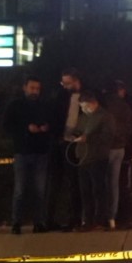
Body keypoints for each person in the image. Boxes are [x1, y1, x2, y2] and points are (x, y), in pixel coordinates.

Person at [3, 75, 53, 234]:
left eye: (37, 89)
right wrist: (26, 129)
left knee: (40, 190)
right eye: (32, 88)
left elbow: (52, 122)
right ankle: (16, 222)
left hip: (41, 152)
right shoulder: (15, 105)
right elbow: (7, 126)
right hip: (22, 152)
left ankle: (39, 222)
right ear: (25, 87)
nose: (35, 92)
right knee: (20, 190)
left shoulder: (44, 105)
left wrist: (46, 128)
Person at [70, 90, 116, 230]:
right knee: (85, 191)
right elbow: (78, 130)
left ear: (92, 103)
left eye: (84, 105)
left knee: (98, 189)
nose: (83, 109)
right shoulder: (84, 117)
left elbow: (108, 136)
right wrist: (75, 135)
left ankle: (101, 219)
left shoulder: (105, 116)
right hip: (83, 157)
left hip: (98, 157)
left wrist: (88, 138)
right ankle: (87, 221)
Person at [48, 67, 85, 231]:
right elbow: (55, 117)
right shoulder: (61, 96)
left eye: (68, 83)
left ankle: (75, 218)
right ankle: (50, 219)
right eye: (63, 83)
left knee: (74, 183)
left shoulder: (87, 96)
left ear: (77, 81)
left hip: (75, 144)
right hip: (61, 143)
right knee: (56, 182)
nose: (65, 86)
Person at [105, 81, 132, 229]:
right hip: (122, 149)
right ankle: (123, 218)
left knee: (108, 185)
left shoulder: (105, 105)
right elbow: (131, 128)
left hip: (107, 148)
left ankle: (109, 217)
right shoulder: (125, 106)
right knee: (122, 185)